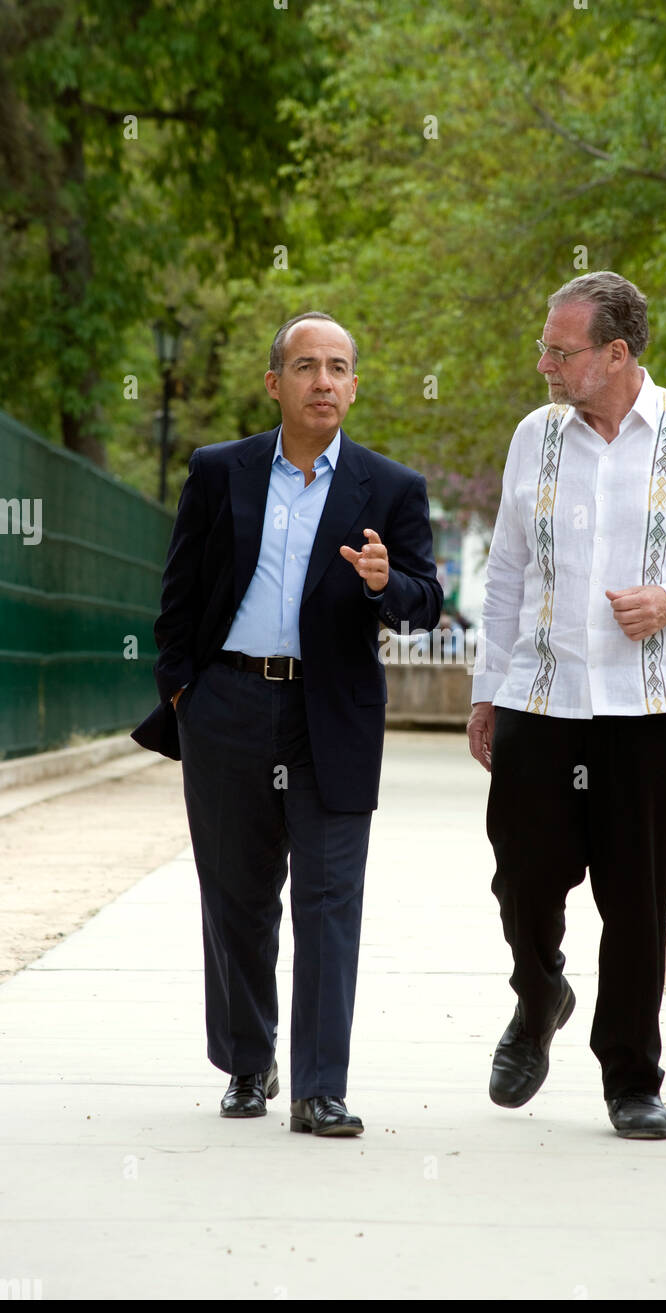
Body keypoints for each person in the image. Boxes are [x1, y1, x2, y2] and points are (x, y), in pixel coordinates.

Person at [467, 272, 666, 1139]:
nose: (544, 365)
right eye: (544, 347)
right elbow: (507, 574)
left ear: (615, 353)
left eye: (559, 352)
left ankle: (631, 1077)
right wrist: (487, 690)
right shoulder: (536, 437)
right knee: (522, 876)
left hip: (656, 706)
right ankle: (539, 996)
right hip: (542, 694)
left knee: (635, 897)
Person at [132, 311, 442, 1136]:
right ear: (275, 383)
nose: (323, 381)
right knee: (235, 897)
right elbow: (179, 594)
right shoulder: (218, 471)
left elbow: (426, 605)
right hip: (228, 705)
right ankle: (246, 1062)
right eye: (305, 366)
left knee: (329, 898)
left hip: (331, 714)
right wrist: (181, 692)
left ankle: (320, 1088)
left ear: (353, 384)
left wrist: (386, 583)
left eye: (338, 367)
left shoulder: (392, 488)